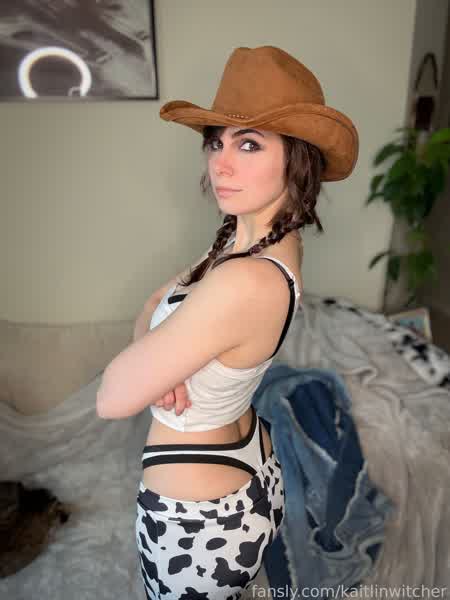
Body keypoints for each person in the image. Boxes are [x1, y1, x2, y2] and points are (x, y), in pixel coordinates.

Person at [98, 45, 358, 599]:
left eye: (249, 144)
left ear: (297, 159)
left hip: (199, 519)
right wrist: (163, 363)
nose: (220, 163)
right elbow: (156, 302)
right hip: (240, 465)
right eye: (216, 142)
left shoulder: (245, 280)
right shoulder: (251, 244)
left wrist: (152, 365)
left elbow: (112, 397)